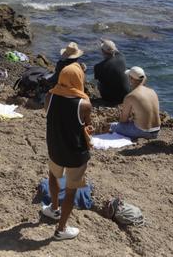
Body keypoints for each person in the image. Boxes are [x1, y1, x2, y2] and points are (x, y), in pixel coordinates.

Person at [42, 58, 92, 241]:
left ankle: (53, 209)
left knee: (53, 176)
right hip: (75, 153)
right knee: (71, 190)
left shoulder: (50, 96)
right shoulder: (84, 104)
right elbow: (87, 125)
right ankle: (61, 229)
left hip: (55, 148)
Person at [109, 66, 161, 140]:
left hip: (143, 132)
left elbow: (123, 120)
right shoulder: (152, 91)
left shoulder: (130, 96)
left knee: (112, 126)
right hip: (157, 130)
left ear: (131, 79)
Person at [93, 39, 130, 104]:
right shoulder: (121, 57)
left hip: (110, 98)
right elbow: (117, 51)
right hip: (125, 95)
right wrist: (107, 43)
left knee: (97, 82)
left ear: (102, 51)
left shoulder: (98, 67)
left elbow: (97, 81)